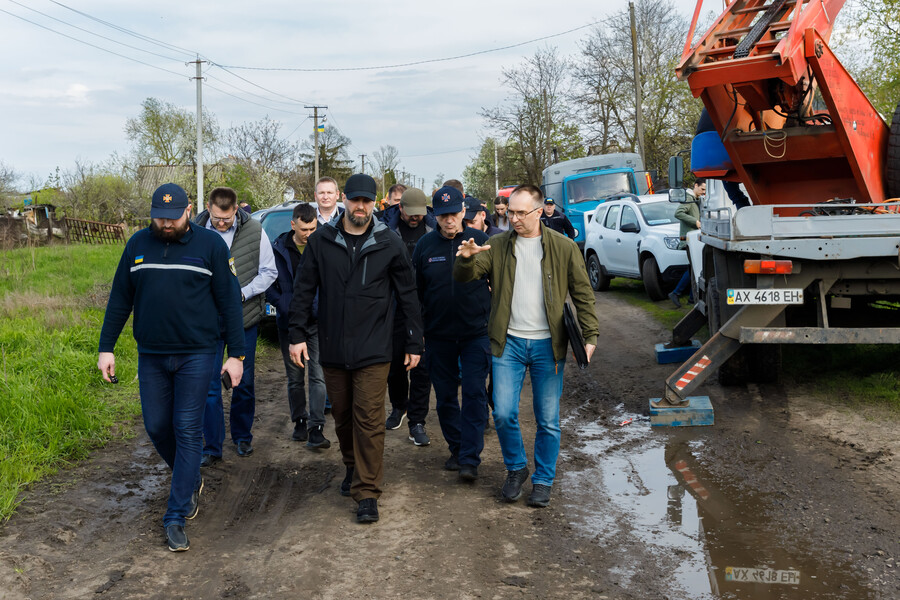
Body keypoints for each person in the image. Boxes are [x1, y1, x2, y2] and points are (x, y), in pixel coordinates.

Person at [97, 183, 245, 552]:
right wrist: (106, 348)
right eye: (159, 217)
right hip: (152, 354)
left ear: (189, 210)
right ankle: (189, 475)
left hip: (198, 353)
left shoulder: (211, 247)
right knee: (157, 425)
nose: (166, 224)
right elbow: (119, 299)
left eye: (174, 217)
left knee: (187, 427)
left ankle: (176, 515)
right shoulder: (136, 246)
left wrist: (236, 355)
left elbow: (230, 304)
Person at [288, 173, 423, 524]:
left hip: (375, 347)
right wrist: (296, 335)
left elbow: (408, 295)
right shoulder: (322, 240)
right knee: (344, 418)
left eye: (367, 201)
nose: (360, 207)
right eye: (355, 200)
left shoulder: (388, 242)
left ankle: (367, 491)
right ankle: (352, 466)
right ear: (345, 199)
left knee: (369, 418)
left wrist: (414, 340)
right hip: (333, 345)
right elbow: (303, 289)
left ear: (374, 203)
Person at [453, 184, 599, 508]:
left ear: (538, 212)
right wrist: (464, 260)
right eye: (511, 211)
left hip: (549, 345)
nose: (513, 217)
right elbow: (467, 275)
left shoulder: (563, 247)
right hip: (509, 343)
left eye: (520, 212)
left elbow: (582, 294)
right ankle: (517, 468)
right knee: (504, 412)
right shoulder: (497, 244)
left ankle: (544, 480)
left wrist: (590, 336)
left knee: (547, 418)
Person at [413, 186, 492, 480]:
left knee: (473, 394)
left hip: (475, 334)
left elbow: (498, 285)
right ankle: (457, 449)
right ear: (435, 215)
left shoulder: (481, 241)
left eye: (454, 214)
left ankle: (470, 458)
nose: (449, 220)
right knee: (445, 397)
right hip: (438, 336)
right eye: (443, 215)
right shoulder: (424, 246)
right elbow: (416, 293)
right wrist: (417, 331)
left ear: (463, 212)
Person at [194, 187, 277, 465]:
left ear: (236, 212)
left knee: (244, 381)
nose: (221, 223)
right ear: (209, 207)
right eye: (217, 218)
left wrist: (243, 292)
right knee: (208, 386)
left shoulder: (254, 230)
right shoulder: (194, 230)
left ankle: (242, 436)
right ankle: (212, 446)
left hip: (243, 319)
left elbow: (269, 271)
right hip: (206, 322)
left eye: (226, 219)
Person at [267, 202, 330, 448]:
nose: (308, 234)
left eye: (313, 228)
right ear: (293, 225)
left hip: (316, 322)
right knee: (295, 377)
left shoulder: (323, 248)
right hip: (289, 323)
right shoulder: (277, 249)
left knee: (318, 376)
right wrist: (283, 303)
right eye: (304, 229)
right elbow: (268, 283)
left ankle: (317, 426)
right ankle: (300, 421)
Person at [379, 188, 435, 445]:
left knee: (422, 368)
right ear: (400, 208)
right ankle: (399, 406)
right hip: (393, 307)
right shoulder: (385, 230)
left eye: (419, 214)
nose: (415, 218)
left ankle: (417, 421)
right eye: (411, 214)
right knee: (395, 365)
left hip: (424, 307)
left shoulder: (431, 230)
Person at [669, 179, 706, 308]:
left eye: (705, 190)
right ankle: (676, 293)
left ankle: (691, 298)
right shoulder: (689, 199)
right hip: (689, 240)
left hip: (693, 240)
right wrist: (695, 222)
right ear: (695, 185)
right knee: (692, 269)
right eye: (702, 189)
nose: (703, 192)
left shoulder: (695, 199)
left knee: (693, 269)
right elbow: (678, 213)